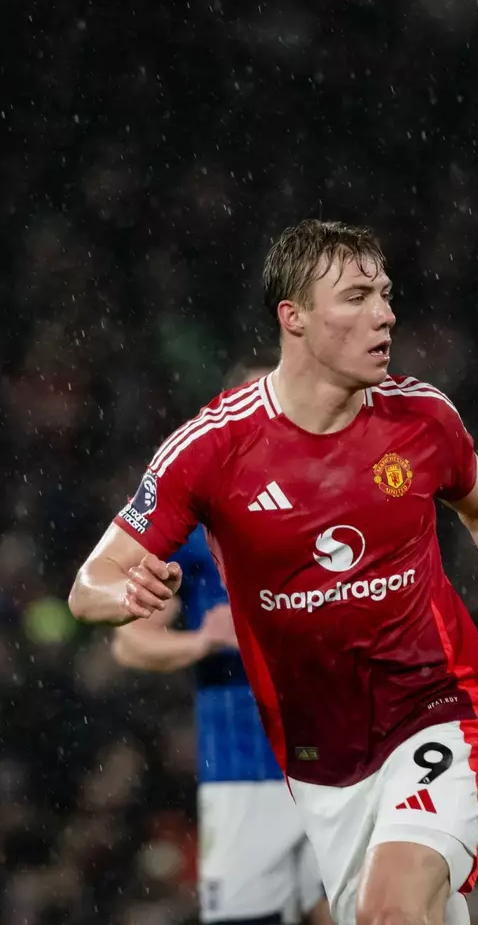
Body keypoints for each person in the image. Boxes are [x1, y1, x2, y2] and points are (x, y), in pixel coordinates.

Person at [69, 219, 478, 925]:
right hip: (319, 760)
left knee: (393, 909)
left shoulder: (420, 419)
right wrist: (126, 590)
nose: (384, 313)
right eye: (356, 297)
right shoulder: (211, 450)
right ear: (292, 319)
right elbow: (89, 587)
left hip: (436, 708)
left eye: (385, 294)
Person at [111, 357, 332, 925]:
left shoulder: (332, 518)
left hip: (341, 764)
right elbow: (131, 644)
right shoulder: (190, 533)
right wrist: (204, 643)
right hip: (243, 772)